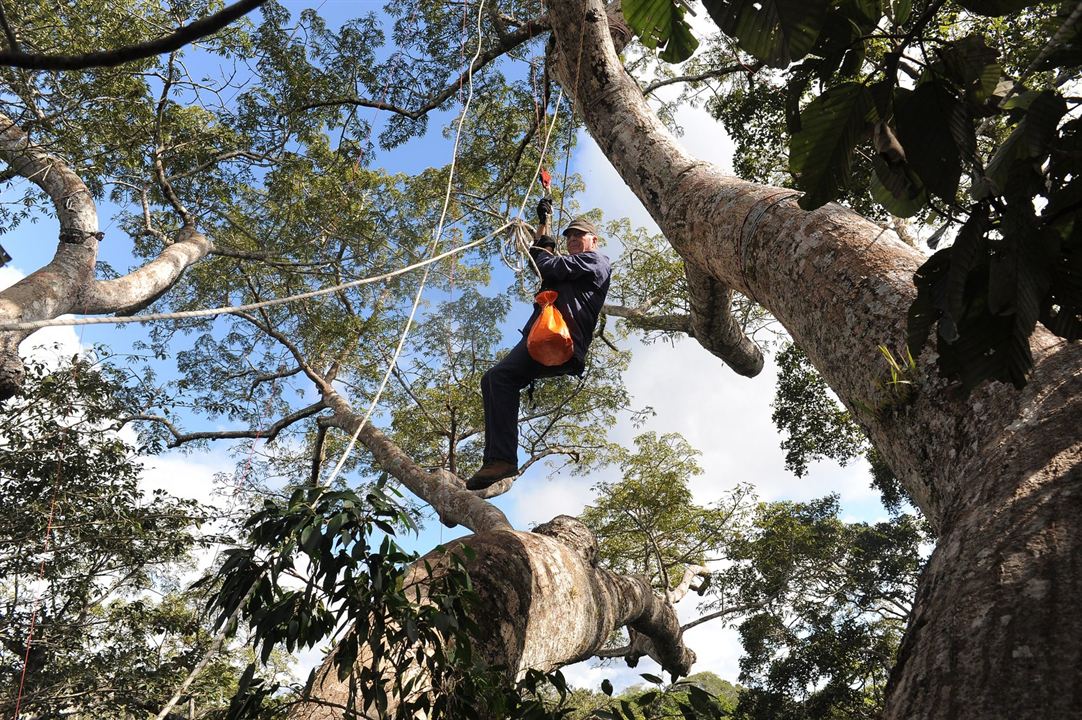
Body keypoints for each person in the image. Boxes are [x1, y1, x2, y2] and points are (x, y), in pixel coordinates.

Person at [466, 199, 612, 491]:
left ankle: (502, 458)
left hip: (562, 340)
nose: (572, 240)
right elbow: (541, 261)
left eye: (578, 236)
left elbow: (545, 262)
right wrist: (543, 221)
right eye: (569, 237)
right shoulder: (571, 270)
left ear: (593, 241)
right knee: (497, 380)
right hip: (544, 341)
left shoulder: (596, 260)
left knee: (500, 378)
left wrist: (545, 250)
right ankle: (500, 460)